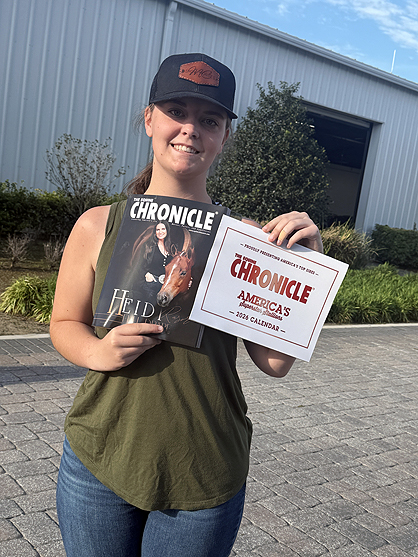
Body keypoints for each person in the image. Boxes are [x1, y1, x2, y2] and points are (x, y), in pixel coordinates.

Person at [50, 53, 323, 557]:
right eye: (176, 111)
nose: (190, 129)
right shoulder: (97, 224)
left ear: (225, 136)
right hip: (99, 454)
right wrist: (96, 352)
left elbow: (276, 362)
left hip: (204, 468)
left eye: (210, 120)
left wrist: (306, 265)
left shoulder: (248, 241)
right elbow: (65, 322)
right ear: (149, 118)